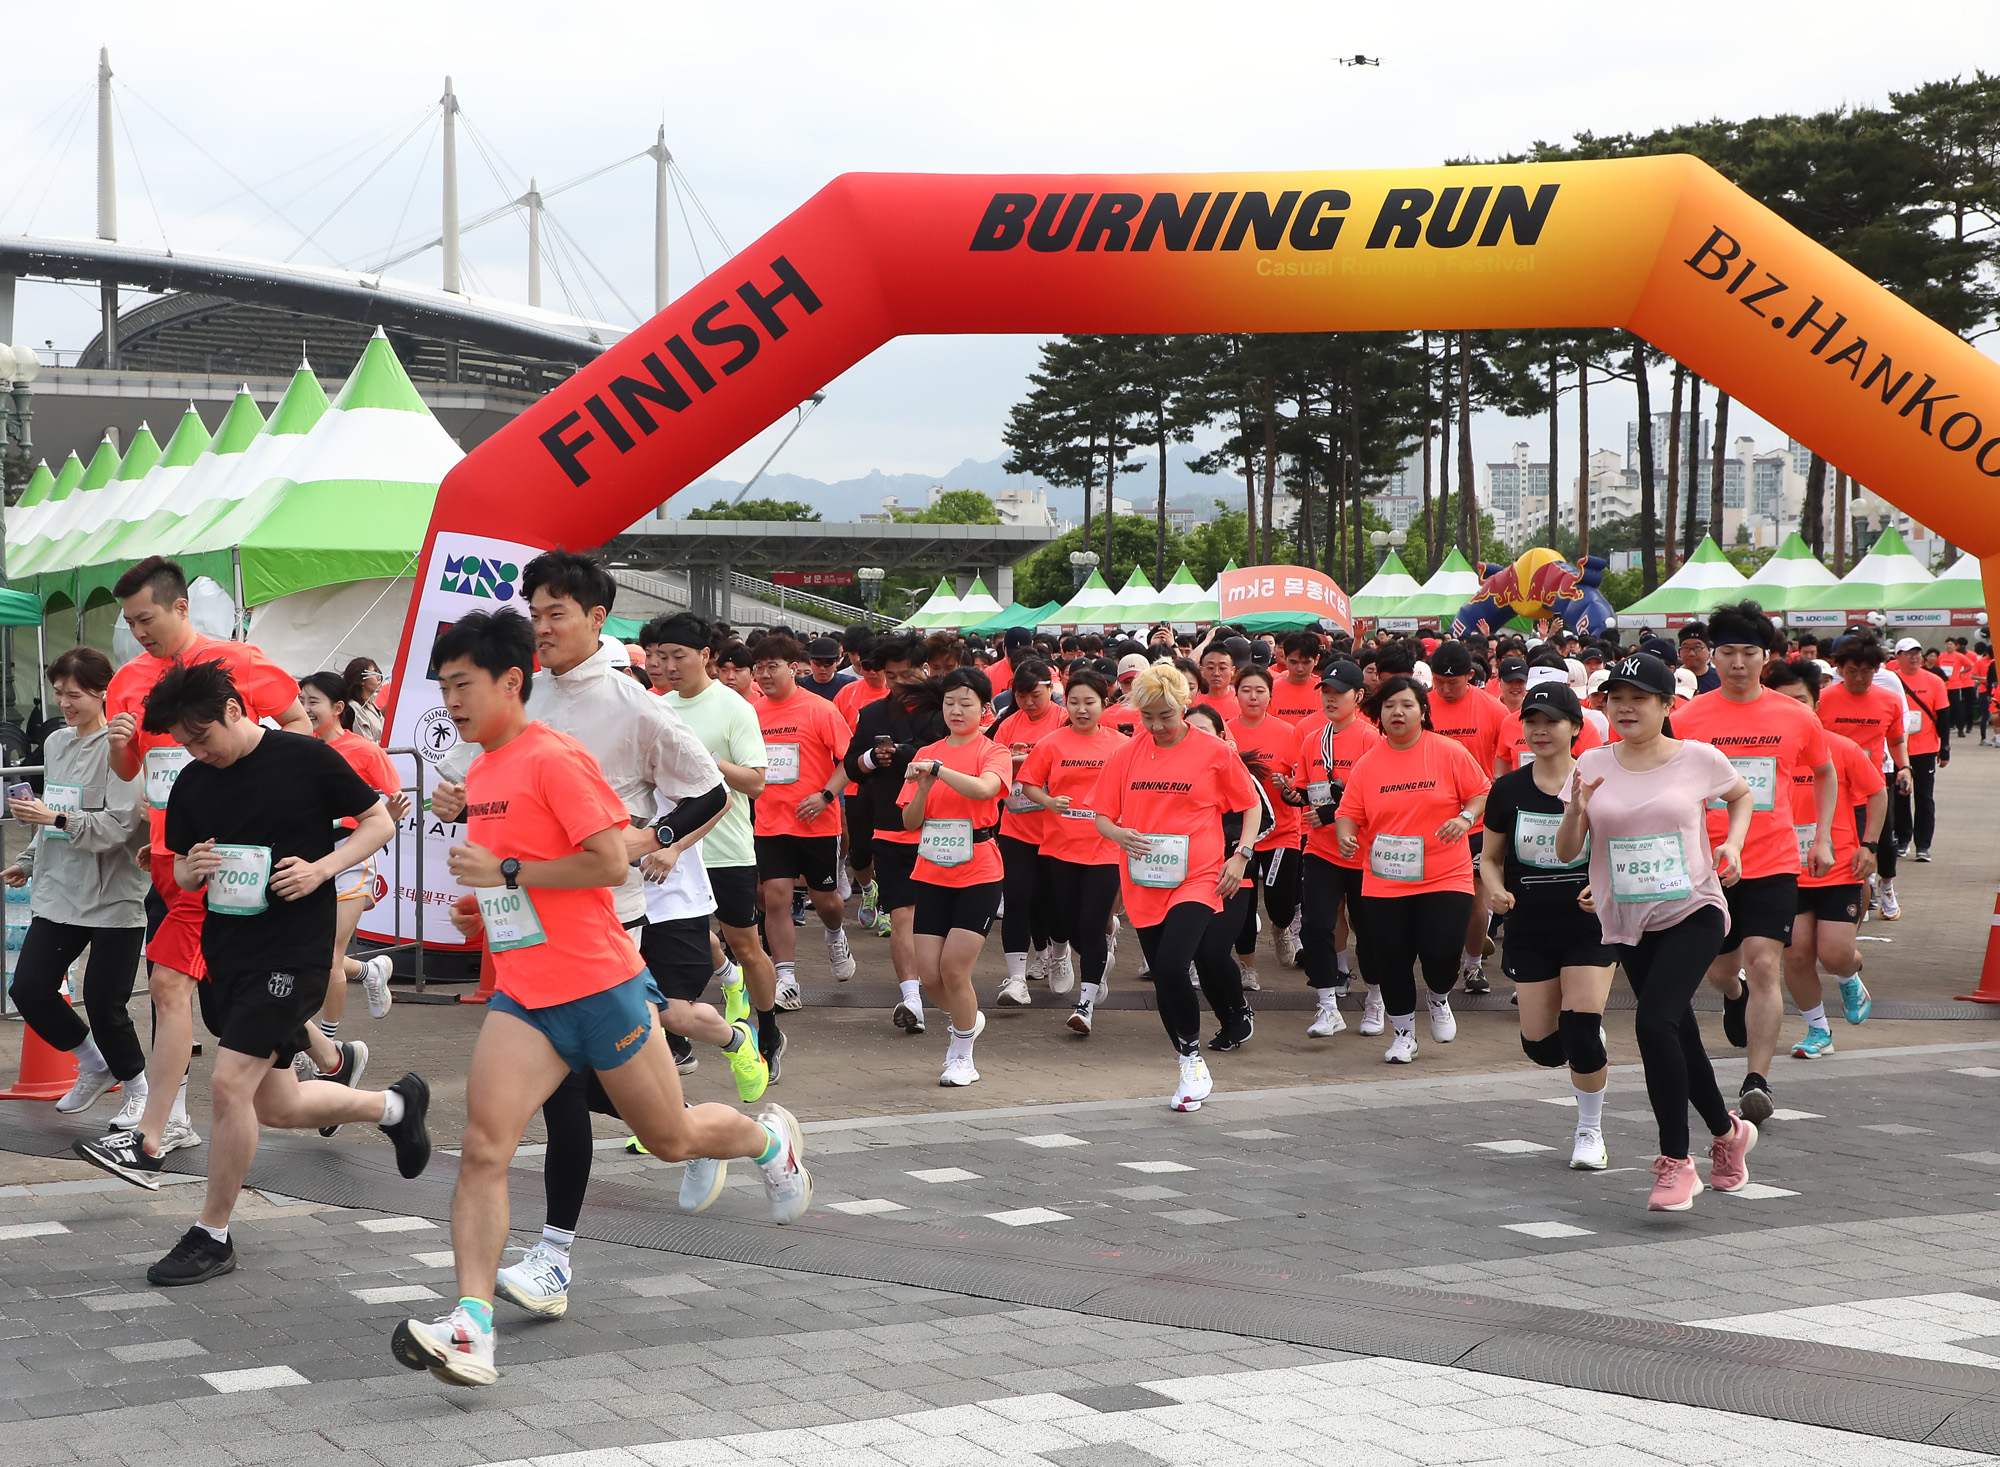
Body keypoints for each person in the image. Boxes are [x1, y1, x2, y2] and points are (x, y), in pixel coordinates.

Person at [390, 609, 807, 1387]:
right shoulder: (480, 771)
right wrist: (488, 907)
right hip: (525, 998)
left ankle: (764, 1141)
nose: (450, 701)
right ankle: (472, 1324)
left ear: (510, 681)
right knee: (484, 1146)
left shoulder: (554, 757)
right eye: (443, 686)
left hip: (602, 986)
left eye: (462, 684)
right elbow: (521, 874)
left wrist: (506, 878)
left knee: (675, 1136)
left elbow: (609, 861)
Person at [76, 659, 426, 1286]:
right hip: (227, 955)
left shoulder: (305, 759)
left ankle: (211, 1235)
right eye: (184, 743)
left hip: (294, 953)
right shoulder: (191, 784)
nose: (196, 752)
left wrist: (322, 868)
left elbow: (378, 820)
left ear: (235, 711)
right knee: (279, 1106)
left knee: (227, 1086)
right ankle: (395, 1106)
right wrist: (196, 867)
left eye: (201, 737)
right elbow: (180, 871)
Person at [102, 556, 312, 1162]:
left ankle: (159, 1128)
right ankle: (363, 1084)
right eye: (130, 622)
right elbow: (133, 768)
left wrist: (266, 794)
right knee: (230, 1021)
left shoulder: (237, 663)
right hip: (170, 859)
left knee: (170, 985)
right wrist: (119, 748)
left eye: (147, 618)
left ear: (181, 607)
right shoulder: (128, 681)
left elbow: (299, 724)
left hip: (228, 857)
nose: (140, 632)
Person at [1556, 652, 1758, 1213]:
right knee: (1677, 1031)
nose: (1624, 707)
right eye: (1615, 697)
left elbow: (1740, 795)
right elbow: (1568, 850)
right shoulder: (1591, 762)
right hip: (1627, 920)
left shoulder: (1696, 758)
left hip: (1693, 907)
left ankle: (1676, 1160)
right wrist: (1576, 811)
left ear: (1668, 706)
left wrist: (1733, 844)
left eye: (1639, 698)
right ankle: (1728, 1132)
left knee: (1652, 1021)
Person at [1673, 600, 1836, 1126]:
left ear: (1766, 657)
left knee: (1766, 960)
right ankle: (1733, 993)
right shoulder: (1687, 718)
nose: (1738, 663)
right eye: (1727, 653)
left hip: (1773, 860)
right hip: (1707, 864)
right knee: (1721, 969)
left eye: (1749, 653)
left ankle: (1756, 1081)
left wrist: (1824, 838)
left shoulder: (1795, 716)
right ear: (1709, 657)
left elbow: (1825, 772)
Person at [1092, 664, 1263, 1111]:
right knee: (1166, 978)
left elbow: (1250, 806)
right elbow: (1102, 815)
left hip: (1199, 875)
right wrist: (1118, 834)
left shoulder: (1213, 750)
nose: (1156, 726)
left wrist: (1240, 854)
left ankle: (1191, 1062)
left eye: (1165, 715)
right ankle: (1189, 1057)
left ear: (1184, 706)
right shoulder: (1126, 754)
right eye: (1147, 717)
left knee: (1170, 967)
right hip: (1144, 879)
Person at [4, 648, 149, 1119]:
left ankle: (139, 1091)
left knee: (106, 1003)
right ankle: (94, 1066)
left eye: (75, 693)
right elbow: (52, 813)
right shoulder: (57, 743)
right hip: (59, 891)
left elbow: (121, 826)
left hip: (114, 894)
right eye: (59, 692)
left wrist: (57, 817)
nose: (65, 702)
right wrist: (27, 860)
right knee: (28, 989)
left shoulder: (121, 744)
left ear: (102, 691)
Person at [1478, 681, 1614, 1170]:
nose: (1539, 730)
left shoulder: (1599, 782)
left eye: (1551, 721)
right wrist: (1494, 888)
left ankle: (1589, 1131)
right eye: (1531, 722)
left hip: (1589, 924)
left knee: (1579, 1028)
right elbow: (1490, 858)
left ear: (1576, 728)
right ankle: (1586, 1046)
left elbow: (1621, 847)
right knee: (1541, 1047)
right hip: (1530, 923)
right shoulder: (1508, 789)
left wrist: (1606, 888)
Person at [651, 613, 786, 1075]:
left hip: (727, 849)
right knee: (668, 944)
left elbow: (757, 784)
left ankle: (768, 1030)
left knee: (746, 945)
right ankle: (677, 1042)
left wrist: (711, 765)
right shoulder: (658, 707)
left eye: (678, 656)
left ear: (706, 656)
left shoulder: (734, 708)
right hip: (677, 852)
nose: (668, 666)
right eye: (660, 657)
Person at [1334, 676, 1489, 1064]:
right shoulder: (1369, 763)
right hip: (1387, 880)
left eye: (1406, 704)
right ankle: (1403, 1034)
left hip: (1445, 874)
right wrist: (1346, 835)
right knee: (1393, 959)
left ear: (1423, 711)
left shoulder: (1449, 752)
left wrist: (1466, 817)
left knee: (1441, 952)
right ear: (1379, 714)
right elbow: (1348, 813)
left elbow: (1482, 790)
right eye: (1388, 706)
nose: (1397, 712)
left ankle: (1438, 997)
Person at [1765, 660, 1883, 1057]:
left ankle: (1849, 974)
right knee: (1797, 953)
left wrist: (1870, 845)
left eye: (1801, 700)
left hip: (1839, 867)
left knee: (1833, 954)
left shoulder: (1841, 748)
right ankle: (1818, 1031)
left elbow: (1877, 794)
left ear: (1815, 703)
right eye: (1783, 702)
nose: (1794, 709)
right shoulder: (1765, 753)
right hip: (1783, 868)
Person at [898, 668, 1010, 1085]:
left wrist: (938, 770)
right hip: (931, 869)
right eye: (949, 703)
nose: (956, 710)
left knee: (955, 969)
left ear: (985, 709)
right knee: (929, 975)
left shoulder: (992, 751)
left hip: (979, 870)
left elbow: (984, 791)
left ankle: (962, 1054)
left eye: (966, 703)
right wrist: (924, 785)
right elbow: (909, 821)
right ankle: (968, 1018)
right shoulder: (926, 752)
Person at [295, 672, 405, 1060]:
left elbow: (392, 804)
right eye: (302, 700)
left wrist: (382, 815)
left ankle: (331, 1049)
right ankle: (370, 972)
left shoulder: (364, 751)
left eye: (314, 702)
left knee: (329, 957)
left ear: (338, 708)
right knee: (310, 954)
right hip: (306, 861)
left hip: (352, 860)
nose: (305, 709)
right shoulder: (296, 748)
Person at [844, 636, 948, 1033]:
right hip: (889, 824)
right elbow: (851, 765)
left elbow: (942, 752)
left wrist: (902, 752)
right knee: (902, 915)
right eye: (891, 676)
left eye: (908, 674)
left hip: (942, 827)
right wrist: (872, 758)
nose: (900, 683)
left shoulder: (946, 708)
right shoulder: (871, 713)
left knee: (937, 920)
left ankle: (942, 987)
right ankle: (910, 998)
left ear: (925, 669)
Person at [1018, 666, 1125, 1037]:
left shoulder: (1120, 745)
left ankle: (1086, 1003)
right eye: (1075, 702)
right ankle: (1095, 960)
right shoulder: (1053, 742)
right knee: (1064, 926)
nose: (1082, 709)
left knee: (1091, 925)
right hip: (1059, 848)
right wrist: (1049, 800)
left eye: (1090, 702)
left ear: (1104, 704)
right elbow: (1028, 784)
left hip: (1104, 849)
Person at [750, 633, 857, 1002]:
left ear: (793, 668)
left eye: (772, 667)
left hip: (816, 824)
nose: (764, 675)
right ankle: (787, 979)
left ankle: (835, 934)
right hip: (769, 822)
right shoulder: (751, 712)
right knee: (775, 896)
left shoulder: (820, 710)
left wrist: (826, 795)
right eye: (758, 668)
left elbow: (850, 760)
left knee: (826, 900)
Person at [1292, 661, 1380, 1037]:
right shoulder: (1314, 738)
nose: (1330, 698)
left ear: (1358, 696)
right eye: (1325, 691)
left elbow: (1376, 797)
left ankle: (1376, 1000)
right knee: (1315, 925)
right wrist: (1291, 794)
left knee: (1370, 931)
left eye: (1339, 692)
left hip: (1364, 854)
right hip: (1321, 850)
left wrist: (1330, 812)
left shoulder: (1370, 738)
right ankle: (1327, 1004)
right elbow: (1303, 789)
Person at [1420, 642, 1506, 996]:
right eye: (1438, 681)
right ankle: (1436, 961)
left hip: (1476, 818)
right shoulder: (1421, 705)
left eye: (1452, 683)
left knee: (1474, 896)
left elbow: (1503, 761)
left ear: (1471, 676)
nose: (1443, 689)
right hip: (1426, 818)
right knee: (1430, 899)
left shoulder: (1493, 710)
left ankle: (1472, 965)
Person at [989, 658, 1069, 1006]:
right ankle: (1017, 979)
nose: (1028, 703)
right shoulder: (1007, 724)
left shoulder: (1064, 721)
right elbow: (993, 764)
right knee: (1018, 898)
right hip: (1016, 827)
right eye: (1021, 696)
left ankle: (1060, 953)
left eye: (1035, 695)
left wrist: (1031, 762)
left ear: (1050, 689)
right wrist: (1013, 760)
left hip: (1057, 829)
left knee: (1053, 903)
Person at [1818, 633, 1911, 919]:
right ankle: (1857, 895)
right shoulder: (1823, 700)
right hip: (1833, 785)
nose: (1859, 677)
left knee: (1883, 842)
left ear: (1877, 670)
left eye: (1866, 671)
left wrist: (1905, 767)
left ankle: (1886, 886)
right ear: (1839, 670)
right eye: (1851, 671)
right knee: (1844, 844)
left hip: (1872, 784)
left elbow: (1896, 741)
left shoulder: (1890, 701)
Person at [1225, 665, 1302, 988]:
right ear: (1236, 693)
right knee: (1242, 905)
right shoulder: (1224, 731)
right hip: (1240, 833)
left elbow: (1301, 783)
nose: (1253, 697)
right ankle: (1248, 967)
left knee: (1280, 903)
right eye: (1246, 690)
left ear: (1271, 694)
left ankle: (1282, 928)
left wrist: (1289, 788)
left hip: (1282, 832)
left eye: (1260, 690)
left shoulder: (1289, 732)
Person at [835, 641, 892, 929]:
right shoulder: (848, 693)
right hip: (856, 781)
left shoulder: (895, 693)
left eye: (877, 668)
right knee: (859, 851)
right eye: (865, 668)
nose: (872, 674)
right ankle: (869, 891)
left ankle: (886, 909)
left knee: (885, 846)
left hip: (888, 782)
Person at [1889, 637, 1950, 862]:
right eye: (1908, 653)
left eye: (1917, 652)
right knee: (1901, 795)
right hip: (1898, 749)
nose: (1914, 657)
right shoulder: (1891, 680)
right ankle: (1902, 839)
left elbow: (1943, 716)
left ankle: (1923, 845)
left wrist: (1945, 748)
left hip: (1925, 748)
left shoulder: (1934, 681)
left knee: (1924, 797)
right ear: (1898, 657)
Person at [1269, 632, 1326, 722]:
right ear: (1284, 658)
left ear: (1316, 660)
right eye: (1294, 662)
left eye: (1306, 663)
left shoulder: (1325, 689)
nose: (1300, 668)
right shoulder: (1271, 690)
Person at [342, 658, 388, 741]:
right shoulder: (355, 708)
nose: (379, 678)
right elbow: (366, 743)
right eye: (374, 673)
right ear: (361, 680)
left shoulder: (370, 704)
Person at [800, 635, 856, 702]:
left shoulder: (848, 685)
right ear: (810, 661)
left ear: (837, 661)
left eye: (828, 663)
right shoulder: (801, 685)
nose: (822, 668)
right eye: (817, 662)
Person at [1679, 624, 1721, 694]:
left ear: (1709, 650)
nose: (1691, 653)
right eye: (1686, 648)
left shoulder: (1720, 678)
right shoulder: (1672, 678)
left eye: (1697, 647)